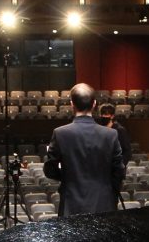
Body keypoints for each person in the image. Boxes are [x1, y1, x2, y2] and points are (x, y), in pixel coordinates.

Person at [43, 83, 125, 217]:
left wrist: (69, 177)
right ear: (94, 104)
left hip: (71, 204)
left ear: (71, 104)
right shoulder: (110, 134)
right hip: (104, 204)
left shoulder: (60, 133)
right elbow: (119, 171)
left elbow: (50, 170)